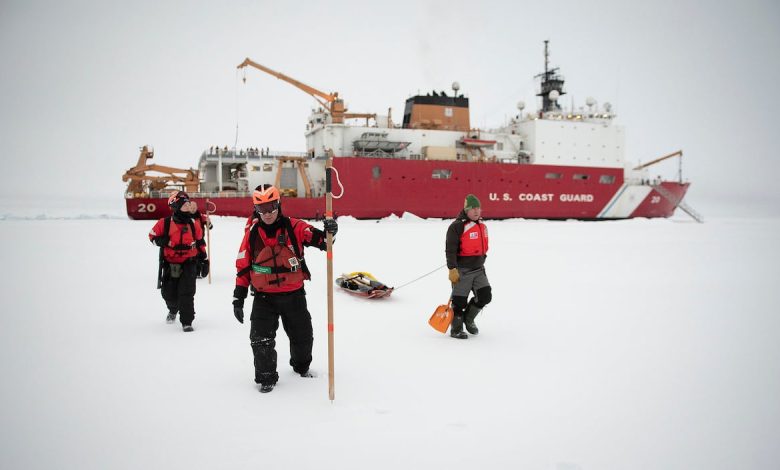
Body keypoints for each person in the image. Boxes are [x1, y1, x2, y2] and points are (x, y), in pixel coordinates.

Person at [232, 184, 338, 393]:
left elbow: (322, 241)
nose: (268, 213)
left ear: (279, 204)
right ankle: (266, 378)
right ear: (256, 209)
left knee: (303, 336)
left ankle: (302, 367)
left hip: (294, 295)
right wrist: (239, 297)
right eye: (262, 209)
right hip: (264, 297)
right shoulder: (252, 234)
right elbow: (243, 266)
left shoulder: (294, 227)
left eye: (271, 207)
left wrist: (330, 231)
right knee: (261, 339)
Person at [148, 191, 209, 332]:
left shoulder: (194, 224)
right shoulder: (165, 223)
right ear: (176, 207)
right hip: (170, 264)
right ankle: (173, 309)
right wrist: (161, 241)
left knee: (187, 292)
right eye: (185, 205)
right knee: (168, 293)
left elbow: (200, 242)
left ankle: (187, 321)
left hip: (189, 262)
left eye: (188, 204)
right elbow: (151, 235)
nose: (188, 207)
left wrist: (204, 259)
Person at [445, 194, 492, 339]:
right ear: (466, 210)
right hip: (462, 271)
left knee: (485, 296)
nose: (477, 211)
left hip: (479, 270)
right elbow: (450, 249)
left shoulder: (481, 224)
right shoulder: (457, 226)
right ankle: (456, 329)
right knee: (459, 302)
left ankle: (469, 319)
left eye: (479, 208)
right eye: (473, 209)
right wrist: (452, 269)